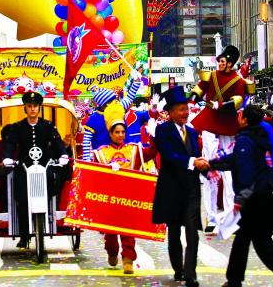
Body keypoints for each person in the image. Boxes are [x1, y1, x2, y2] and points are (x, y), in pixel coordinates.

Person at [211, 105, 273, 287]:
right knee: (245, 239)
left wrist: (241, 198)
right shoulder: (259, 137)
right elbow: (236, 160)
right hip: (268, 194)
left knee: (258, 240)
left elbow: (246, 170)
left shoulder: (245, 140)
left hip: (257, 198)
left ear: (245, 120)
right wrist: (211, 164)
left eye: (240, 115)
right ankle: (235, 280)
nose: (237, 118)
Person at [190, 45, 255, 230]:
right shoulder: (211, 76)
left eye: (223, 61)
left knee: (228, 174)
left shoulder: (239, 81)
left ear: (230, 63)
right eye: (219, 60)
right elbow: (199, 89)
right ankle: (211, 219)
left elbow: (238, 101)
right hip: (209, 122)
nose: (220, 63)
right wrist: (193, 98)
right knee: (208, 168)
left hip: (227, 125)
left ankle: (229, 218)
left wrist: (221, 105)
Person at [152, 86, 208, 287]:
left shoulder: (192, 132)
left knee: (192, 231)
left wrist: (209, 170)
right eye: (182, 109)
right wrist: (193, 162)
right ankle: (178, 270)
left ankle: (190, 274)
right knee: (174, 231)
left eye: (187, 109)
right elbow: (169, 156)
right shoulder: (162, 130)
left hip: (191, 188)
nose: (186, 113)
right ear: (171, 111)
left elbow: (197, 156)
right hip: (172, 189)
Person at [92, 101, 155, 274]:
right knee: (110, 235)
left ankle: (128, 259)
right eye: (117, 132)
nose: (120, 135)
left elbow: (151, 153)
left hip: (129, 198)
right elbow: (94, 176)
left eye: (122, 132)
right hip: (110, 200)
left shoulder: (134, 150)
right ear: (110, 133)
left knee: (128, 232)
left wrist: (155, 137)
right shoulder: (101, 153)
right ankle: (112, 252)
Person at [3, 91, 69, 249]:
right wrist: (7, 158)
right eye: (29, 106)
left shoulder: (48, 126)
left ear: (39, 108)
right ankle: (24, 235)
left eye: (35, 106)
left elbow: (58, 142)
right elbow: (10, 145)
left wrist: (63, 155)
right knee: (22, 197)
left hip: (44, 165)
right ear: (25, 108)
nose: (33, 109)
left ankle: (51, 215)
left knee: (53, 180)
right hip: (24, 167)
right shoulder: (17, 127)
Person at [82, 76, 141, 160]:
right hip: (103, 157)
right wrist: (86, 159)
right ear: (104, 105)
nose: (116, 102)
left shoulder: (119, 106)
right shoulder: (93, 118)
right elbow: (86, 140)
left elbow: (129, 98)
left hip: (124, 154)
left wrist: (136, 82)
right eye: (112, 101)